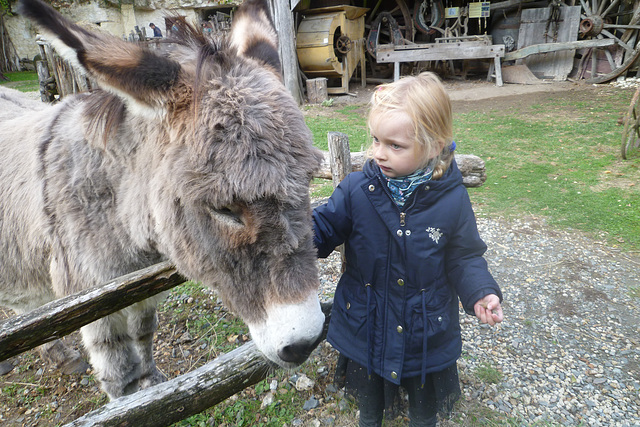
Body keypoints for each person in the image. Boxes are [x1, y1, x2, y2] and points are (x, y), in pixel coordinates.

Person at [312, 72, 504, 427]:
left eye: (394, 145)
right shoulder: (357, 189)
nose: (378, 153)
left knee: (423, 411)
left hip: (424, 334)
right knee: (369, 409)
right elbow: (323, 226)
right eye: (375, 140)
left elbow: (464, 255)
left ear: (432, 146)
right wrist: (291, 237)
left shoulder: (452, 198)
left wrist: (481, 292)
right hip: (367, 326)